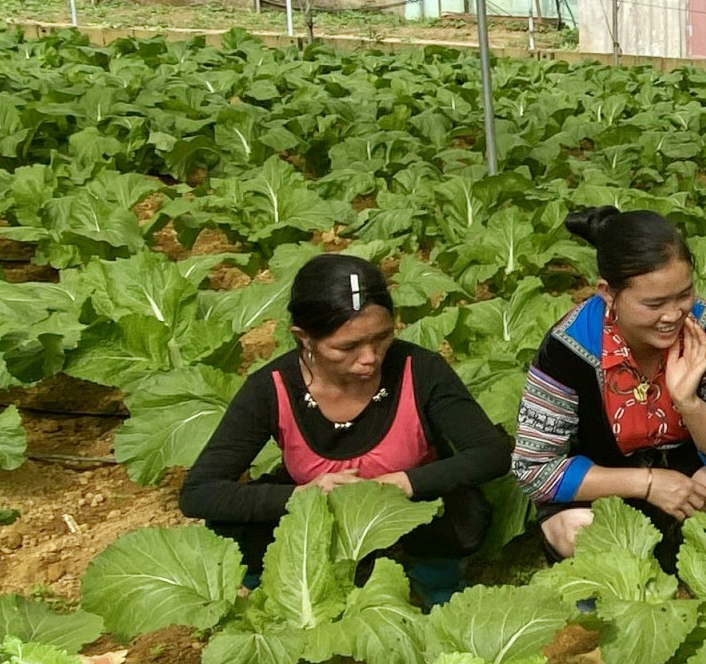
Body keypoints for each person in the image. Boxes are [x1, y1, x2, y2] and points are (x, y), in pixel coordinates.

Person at [180, 253, 510, 606]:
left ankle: (436, 583)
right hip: (320, 519)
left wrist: (399, 483)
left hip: (409, 513)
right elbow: (199, 492)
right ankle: (274, 591)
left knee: (458, 504)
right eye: (348, 346)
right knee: (233, 520)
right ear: (304, 338)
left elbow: (490, 453)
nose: (369, 357)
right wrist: (306, 495)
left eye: (382, 338)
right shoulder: (271, 388)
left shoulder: (419, 369)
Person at [513, 207, 706, 563]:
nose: (674, 315)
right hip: (605, 490)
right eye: (654, 303)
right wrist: (646, 482)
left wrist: (688, 401)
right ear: (607, 293)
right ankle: (607, 599)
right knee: (575, 529)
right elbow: (533, 469)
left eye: (684, 295)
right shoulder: (568, 350)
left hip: (688, 480)